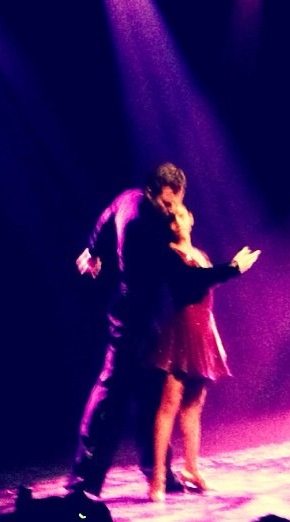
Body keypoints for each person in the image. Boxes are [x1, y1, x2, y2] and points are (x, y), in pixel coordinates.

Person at [66, 162, 191, 498]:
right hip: (133, 316)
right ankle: (84, 480)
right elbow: (173, 274)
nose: (172, 210)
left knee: (150, 395)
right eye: (167, 203)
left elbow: (106, 216)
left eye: (176, 203)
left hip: (143, 314)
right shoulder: (143, 225)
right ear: (151, 193)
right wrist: (225, 268)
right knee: (112, 396)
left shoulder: (128, 198)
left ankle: (156, 470)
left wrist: (92, 250)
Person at [148, 205, 261, 502]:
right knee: (169, 404)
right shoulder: (169, 255)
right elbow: (192, 282)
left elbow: (207, 282)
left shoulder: (201, 255)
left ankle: (191, 469)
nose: (176, 222)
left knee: (194, 406)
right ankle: (158, 477)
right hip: (183, 329)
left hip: (203, 330)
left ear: (191, 219)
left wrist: (230, 269)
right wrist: (232, 268)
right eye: (171, 219)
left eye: (180, 215)